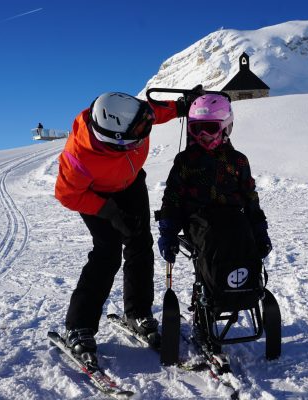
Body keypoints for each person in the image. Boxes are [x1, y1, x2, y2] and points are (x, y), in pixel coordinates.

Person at [54, 89, 201, 362]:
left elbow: (154, 112)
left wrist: (181, 107)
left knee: (140, 244)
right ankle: (79, 326)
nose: (145, 136)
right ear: (115, 141)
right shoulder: (79, 158)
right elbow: (67, 195)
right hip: (95, 195)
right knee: (106, 254)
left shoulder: (131, 115)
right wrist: (108, 211)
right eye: (137, 138)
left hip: (130, 184)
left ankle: (138, 313)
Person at [157, 94, 273, 308]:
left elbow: (250, 198)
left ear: (226, 127)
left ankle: (245, 288)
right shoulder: (185, 161)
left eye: (210, 128)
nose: (203, 135)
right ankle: (212, 291)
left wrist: (259, 231)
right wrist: (168, 232)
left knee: (243, 237)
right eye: (196, 128)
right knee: (212, 239)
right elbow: (172, 197)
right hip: (197, 219)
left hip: (232, 217)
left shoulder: (238, 160)